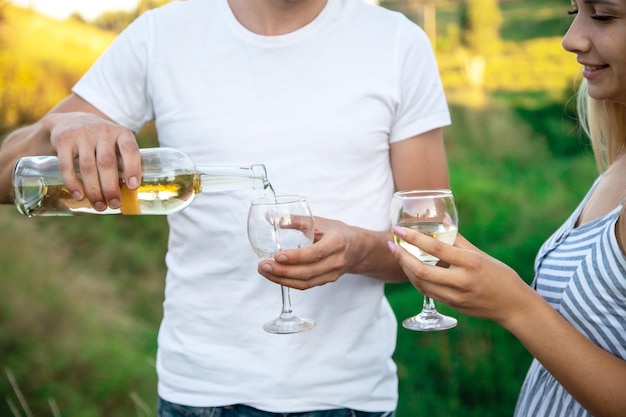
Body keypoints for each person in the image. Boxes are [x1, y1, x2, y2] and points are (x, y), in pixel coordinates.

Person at [0, 1, 452, 416]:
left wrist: (357, 251)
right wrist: (59, 127)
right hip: (197, 395)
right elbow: (7, 174)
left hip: (347, 397)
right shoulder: (162, 34)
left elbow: (432, 245)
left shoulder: (394, 41)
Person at [387, 0, 626, 416]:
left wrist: (514, 304)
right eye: (574, 13)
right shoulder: (619, 163)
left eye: (602, 15)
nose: (570, 39)